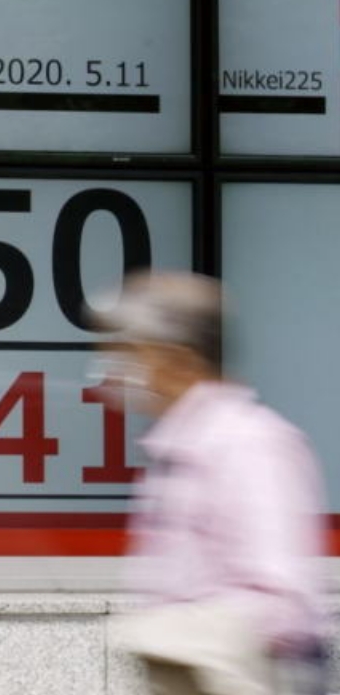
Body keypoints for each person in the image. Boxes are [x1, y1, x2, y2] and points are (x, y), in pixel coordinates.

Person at [98, 271, 327, 695]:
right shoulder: (175, 448)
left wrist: (170, 631)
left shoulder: (249, 444)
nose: (116, 367)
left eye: (131, 351)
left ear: (177, 361)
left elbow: (281, 601)